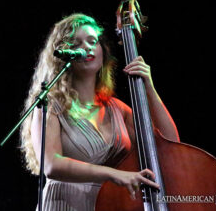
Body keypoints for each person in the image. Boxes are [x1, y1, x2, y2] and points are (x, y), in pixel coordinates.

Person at [20, 13, 180, 211]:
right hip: (63, 204)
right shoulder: (50, 104)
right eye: (76, 43)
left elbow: (170, 145)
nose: (86, 47)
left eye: (92, 41)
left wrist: (149, 87)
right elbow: (52, 165)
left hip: (108, 205)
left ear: (102, 51)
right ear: (63, 54)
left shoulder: (117, 109)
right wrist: (113, 174)